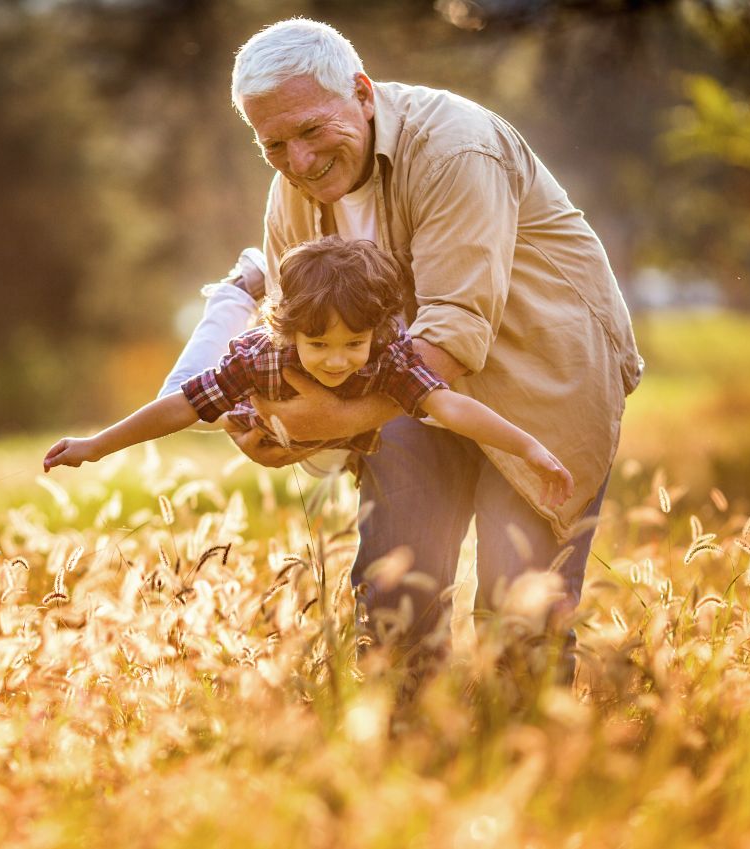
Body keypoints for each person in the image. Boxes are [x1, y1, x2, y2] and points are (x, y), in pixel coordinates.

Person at [161, 19, 643, 663]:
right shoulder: (291, 191)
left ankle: (533, 751)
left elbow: (448, 336)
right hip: (403, 385)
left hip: (538, 378)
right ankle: (406, 748)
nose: (298, 163)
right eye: (273, 143)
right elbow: (291, 331)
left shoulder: (455, 149)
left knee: (519, 610)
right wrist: (270, 422)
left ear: (362, 94)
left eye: (311, 130)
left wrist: (318, 424)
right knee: (395, 598)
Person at [45, 236, 576, 512]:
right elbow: (180, 406)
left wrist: (527, 446)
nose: (337, 359)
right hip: (259, 406)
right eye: (318, 343)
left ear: (378, 332)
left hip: (334, 428)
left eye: (353, 343)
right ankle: (238, 289)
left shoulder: (388, 355)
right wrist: (96, 444)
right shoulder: (261, 355)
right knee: (187, 397)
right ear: (290, 331)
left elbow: (451, 406)